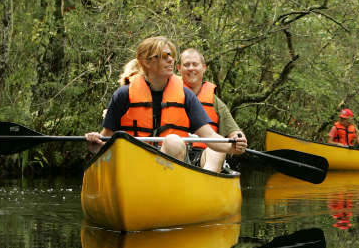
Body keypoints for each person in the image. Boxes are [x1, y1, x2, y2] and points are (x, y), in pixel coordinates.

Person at [84, 36, 247, 172]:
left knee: (173, 141)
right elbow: (103, 142)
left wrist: (233, 147)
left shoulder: (186, 96)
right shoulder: (123, 95)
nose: (170, 60)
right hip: (134, 168)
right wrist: (94, 143)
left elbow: (210, 137)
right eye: (163, 56)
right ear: (146, 62)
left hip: (169, 173)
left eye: (171, 55)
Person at [178, 48, 247, 171]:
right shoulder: (168, 94)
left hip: (204, 156)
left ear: (203, 67)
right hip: (177, 153)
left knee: (217, 150)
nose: (191, 68)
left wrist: (238, 138)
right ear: (179, 68)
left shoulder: (215, 102)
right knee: (172, 144)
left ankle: (205, 184)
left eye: (195, 64)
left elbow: (233, 131)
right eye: (186, 65)